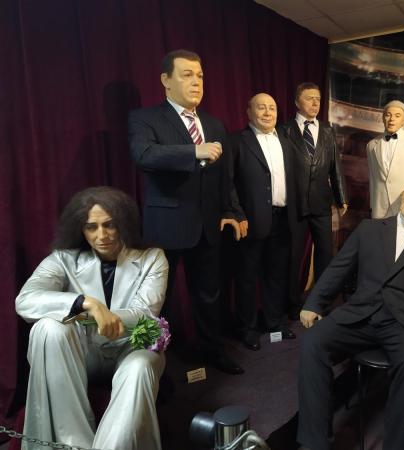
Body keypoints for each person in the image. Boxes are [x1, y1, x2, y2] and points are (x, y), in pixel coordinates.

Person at [15, 186, 168, 450]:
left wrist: (102, 315)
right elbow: (26, 300)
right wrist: (85, 303)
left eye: (110, 225)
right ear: (80, 229)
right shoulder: (63, 259)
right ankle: (74, 443)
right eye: (91, 227)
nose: (102, 235)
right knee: (47, 328)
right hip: (82, 354)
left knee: (140, 367)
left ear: (124, 223)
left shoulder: (152, 258)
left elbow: (145, 312)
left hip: (131, 348)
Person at [297, 177, 404, 450]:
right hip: (360, 315)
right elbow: (339, 267)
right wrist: (314, 303)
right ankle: (313, 442)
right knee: (311, 343)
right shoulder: (369, 229)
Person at [128, 49, 242, 374]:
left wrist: (231, 210)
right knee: (159, 299)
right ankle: (151, 364)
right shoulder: (145, 118)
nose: (196, 82)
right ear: (166, 80)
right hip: (167, 224)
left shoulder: (214, 124)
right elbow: (144, 154)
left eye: (200, 76)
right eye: (187, 75)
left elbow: (225, 177)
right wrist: (194, 151)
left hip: (207, 225)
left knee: (209, 294)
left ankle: (213, 350)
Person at [228, 93, 297, 350]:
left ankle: (274, 322)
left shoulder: (286, 142)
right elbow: (228, 182)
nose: (268, 113)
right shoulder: (237, 141)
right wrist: (238, 215)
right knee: (247, 278)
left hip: (283, 219)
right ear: (249, 112)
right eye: (261, 108)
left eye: (272, 108)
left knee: (276, 275)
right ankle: (246, 329)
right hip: (250, 221)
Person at [281, 82, 348, 319]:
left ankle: (319, 303)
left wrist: (341, 196)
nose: (315, 103)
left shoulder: (327, 130)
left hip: (321, 202)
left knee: (325, 254)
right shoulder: (284, 130)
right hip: (295, 203)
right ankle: (291, 304)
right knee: (293, 255)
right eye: (309, 98)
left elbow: (335, 166)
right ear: (297, 102)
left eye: (318, 99)